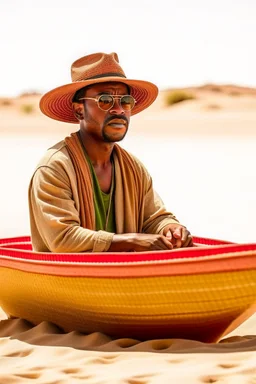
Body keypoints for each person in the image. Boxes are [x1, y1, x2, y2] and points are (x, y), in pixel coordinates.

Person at [28, 52, 193, 253]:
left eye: (125, 101)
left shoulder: (133, 168)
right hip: (68, 280)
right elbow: (63, 238)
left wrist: (170, 228)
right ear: (80, 110)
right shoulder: (55, 167)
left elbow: (154, 218)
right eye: (105, 100)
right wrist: (131, 241)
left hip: (120, 280)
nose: (118, 109)